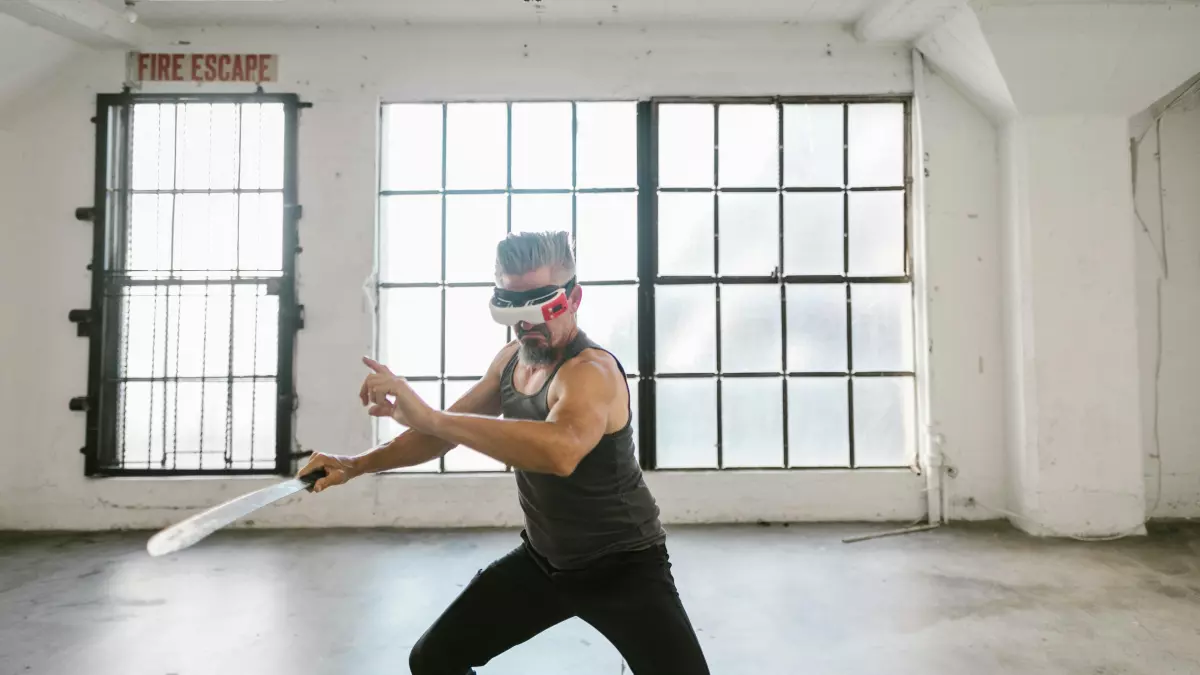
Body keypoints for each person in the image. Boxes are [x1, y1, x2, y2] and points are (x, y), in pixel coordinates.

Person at [298, 230, 711, 674]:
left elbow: (561, 452)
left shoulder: (590, 373)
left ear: (574, 298)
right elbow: (440, 434)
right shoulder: (512, 359)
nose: (527, 323)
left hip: (624, 566)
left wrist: (430, 416)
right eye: (514, 306)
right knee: (435, 659)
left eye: (539, 305)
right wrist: (355, 465)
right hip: (544, 561)